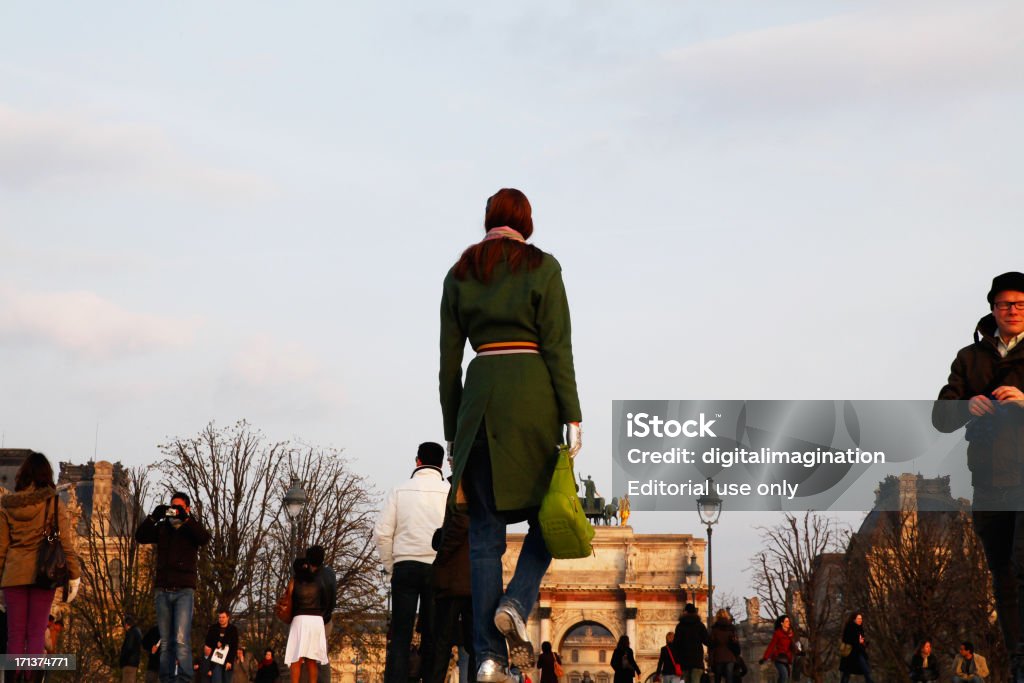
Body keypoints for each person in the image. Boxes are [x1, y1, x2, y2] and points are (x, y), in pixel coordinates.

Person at [439, 188, 583, 683]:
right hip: (533, 404)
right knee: (554, 513)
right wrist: (573, 414)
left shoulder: (459, 273)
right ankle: (518, 600)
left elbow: (447, 366)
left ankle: (487, 657)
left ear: (488, 220)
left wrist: (453, 429)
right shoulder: (544, 267)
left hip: (478, 407)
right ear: (527, 221)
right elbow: (559, 347)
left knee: (484, 538)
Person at [933, 271, 1024, 682]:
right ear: (993, 308)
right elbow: (940, 416)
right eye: (1005, 303)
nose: (1012, 309)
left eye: (1020, 303)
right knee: (1002, 577)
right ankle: (1019, 659)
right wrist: (966, 406)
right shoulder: (968, 359)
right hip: (989, 482)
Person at [374, 442, 449, 683]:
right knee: (432, 635)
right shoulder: (449, 491)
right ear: (441, 464)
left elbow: (382, 533)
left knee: (400, 636)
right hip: (437, 568)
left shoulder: (399, 490)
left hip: (405, 565)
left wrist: (390, 566)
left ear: (417, 461)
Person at [0, 451, 82, 667]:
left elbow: (1, 548)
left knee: (15, 636)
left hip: (13, 576)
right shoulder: (54, 504)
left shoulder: (7, 506)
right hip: (43, 575)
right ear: (47, 475)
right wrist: (74, 575)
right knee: (37, 634)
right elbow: (66, 544)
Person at [136, 490, 211, 683]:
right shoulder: (164, 528)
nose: (175, 511)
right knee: (166, 642)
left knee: (180, 639)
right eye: (173, 507)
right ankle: (167, 678)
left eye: (179, 507)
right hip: (163, 590)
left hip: (184, 590)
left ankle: (185, 679)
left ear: (187, 508)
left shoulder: (190, 529)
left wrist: (186, 519)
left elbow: (204, 538)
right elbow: (140, 536)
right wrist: (154, 516)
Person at [427, 497, 473, 683]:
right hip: (472, 580)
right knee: (473, 644)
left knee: (441, 642)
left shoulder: (461, 481)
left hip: (455, 579)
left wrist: (442, 555)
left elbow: (461, 522)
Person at [284, 556, 328, 683]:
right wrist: (320, 615)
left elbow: (287, 599)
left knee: (295, 658)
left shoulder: (294, 581)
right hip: (316, 620)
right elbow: (325, 601)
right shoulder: (319, 581)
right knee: (312, 659)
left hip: (300, 620)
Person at [306, 546, 337, 683]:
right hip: (326, 620)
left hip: (315, 620)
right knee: (322, 655)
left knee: (310, 656)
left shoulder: (313, 578)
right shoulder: (330, 573)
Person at [672, 603, 709, 683]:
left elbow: (676, 644)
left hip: (684, 661)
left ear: (685, 612)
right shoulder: (700, 625)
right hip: (697, 661)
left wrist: (677, 660)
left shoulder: (680, 626)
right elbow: (707, 641)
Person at [204, 609, 239, 683]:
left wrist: (230, 661)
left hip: (227, 661)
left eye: (223, 617)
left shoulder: (233, 629)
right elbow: (207, 643)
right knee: (216, 680)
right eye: (220, 617)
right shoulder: (213, 628)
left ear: (228, 617)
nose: (221, 619)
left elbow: (234, 646)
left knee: (227, 680)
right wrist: (216, 644)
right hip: (215, 660)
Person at [838, 612, 874, 683]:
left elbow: (861, 640)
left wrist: (864, 643)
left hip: (858, 652)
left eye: (860, 618)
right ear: (854, 619)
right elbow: (846, 639)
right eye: (858, 618)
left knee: (865, 670)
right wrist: (857, 642)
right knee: (847, 673)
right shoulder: (849, 627)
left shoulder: (860, 628)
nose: (860, 620)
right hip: (850, 653)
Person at [760, 614, 796, 683]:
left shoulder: (791, 634)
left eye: (789, 621)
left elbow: (794, 645)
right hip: (779, 658)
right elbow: (771, 646)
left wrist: (799, 652)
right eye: (786, 621)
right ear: (782, 623)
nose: (789, 623)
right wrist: (765, 657)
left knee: (785, 677)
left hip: (787, 659)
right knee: (784, 675)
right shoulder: (778, 633)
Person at [709, 609, 739, 683]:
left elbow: (711, 645)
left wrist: (711, 659)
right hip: (730, 656)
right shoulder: (731, 628)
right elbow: (735, 642)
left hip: (718, 656)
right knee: (729, 678)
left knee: (718, 678)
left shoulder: (714, 629)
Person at [122, 615, 145, 682]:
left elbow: (129, 647)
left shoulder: (131, 633)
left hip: (128, 663)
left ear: (126, 624)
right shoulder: (137, 632)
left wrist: (123, 659)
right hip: (134, 663)